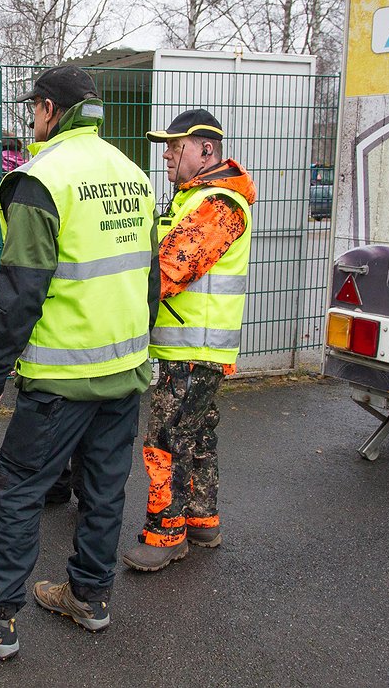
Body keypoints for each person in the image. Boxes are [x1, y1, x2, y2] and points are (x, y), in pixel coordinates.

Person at [0, 66, 157, 659]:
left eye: (34, 109)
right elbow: (150, 276)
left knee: (18, 491)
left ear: (46, 110)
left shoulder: (42, 179)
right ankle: (90, 596)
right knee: (104, 489)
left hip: (63, 377)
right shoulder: (133, 175)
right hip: (125, 365)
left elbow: (20, 287)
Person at [122, 109, 255, 572]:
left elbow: (170, 268)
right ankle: (201, 521)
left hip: (194, 349)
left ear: (206, 150)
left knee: (165, 439)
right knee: (196, 436)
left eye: (175, 146)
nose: (166, 155)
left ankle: (165, 534)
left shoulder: (219, 204)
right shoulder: (198, 199)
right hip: (197, 347)